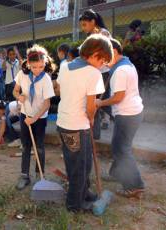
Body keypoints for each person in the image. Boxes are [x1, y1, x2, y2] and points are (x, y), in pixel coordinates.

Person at [55, 34, 113, 213]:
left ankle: (84, 192)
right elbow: (90, 106)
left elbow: (60, 88)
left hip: (63, 123)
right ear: (95, 54)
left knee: (79, 163)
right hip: (78, 126)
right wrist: (92, 117)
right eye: (103, 60)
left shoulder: (65, 66)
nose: (103, 65)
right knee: (80, 166)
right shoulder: (93, 73)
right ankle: (74, 204)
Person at [96, 39, 145, 198]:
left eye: (104, 55)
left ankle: (135, 186)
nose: (102, 59)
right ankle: (116, 173)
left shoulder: (120, 71)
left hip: (127, 114)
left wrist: (100, 102)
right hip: (132, 112)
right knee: (121, 146)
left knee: (121, 149)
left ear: (114, 52)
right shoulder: (126, 64)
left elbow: (118, 97)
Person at [13, 45, 55, 190]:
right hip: (25, 116)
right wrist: (19, 97)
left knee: (40, 148)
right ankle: (24, 175)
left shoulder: (46, 80)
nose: (38, 70)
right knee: (26, 147)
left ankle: (40, 175)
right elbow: (15, 91)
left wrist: (35, 118)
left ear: (45, 63)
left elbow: (47, 104)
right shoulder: (22, 75)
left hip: (40, 118)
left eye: (41, 66)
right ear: (28, 64)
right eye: (34, 67)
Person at [80, 9, 112, 133]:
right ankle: (98, 122)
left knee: (102, 96)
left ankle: (106, 119)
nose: (83, 28)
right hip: (93, 70)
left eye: (84, 24)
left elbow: (106, 52)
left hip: (103, 70)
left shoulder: (103, 33)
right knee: (94, 97)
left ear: (93, 21)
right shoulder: (91, 36)